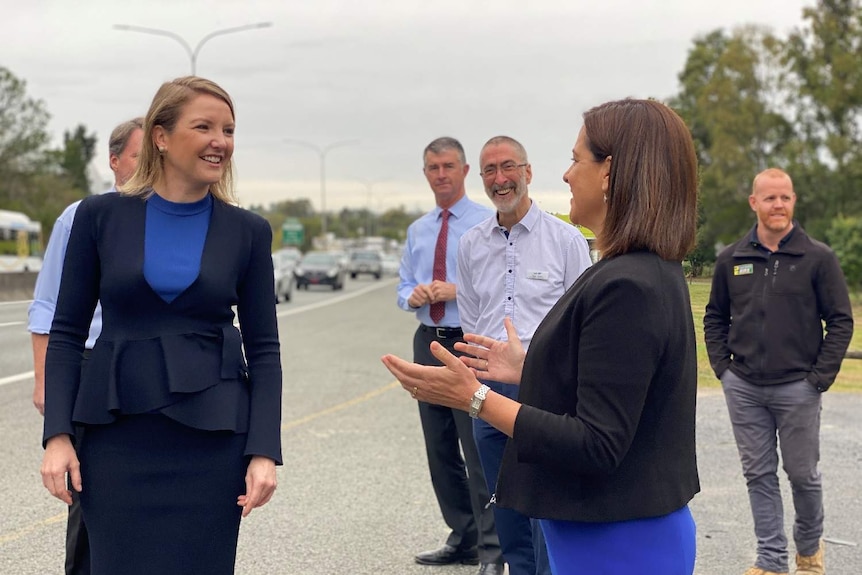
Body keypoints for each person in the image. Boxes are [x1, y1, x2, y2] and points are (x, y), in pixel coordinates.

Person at [384, 99, 701, 575]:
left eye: (577, 159)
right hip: (615, 526)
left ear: (611, 173)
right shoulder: (642, 269)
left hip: (618, 540)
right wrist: (527, 367)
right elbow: (615, 384)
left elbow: (597, 442)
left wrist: (473, 398)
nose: (567, 175)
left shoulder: (626, 285)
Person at [39, 76, 282, 575]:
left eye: (229, 130)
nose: (221, 141)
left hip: (214, 443)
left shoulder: (248, 231)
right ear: (162, 137)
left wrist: (264, 451)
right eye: (205, 127)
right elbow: (66, 332)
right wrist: (57, 436)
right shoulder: (99, 216)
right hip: (114, 437)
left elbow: (264, 351)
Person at [704, 168, 853, 575]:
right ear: (754, 203)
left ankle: (808, 553)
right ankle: (771, 562)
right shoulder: (732, 259)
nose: (778, 205)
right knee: (759, 475)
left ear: (793, 201)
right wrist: (724, 370)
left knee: (802, 475)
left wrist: (818, 379)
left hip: (798, 389)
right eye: (770, 198)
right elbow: (715, 317)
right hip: (745, 387)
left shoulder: (817, 258)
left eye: (785, 197)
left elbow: (840, 321)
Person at [457, 135, 591, 575]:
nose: (500, 179)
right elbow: (472, 321)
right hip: (490, 387)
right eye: (490, 170)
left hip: (545, 386)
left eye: (509, 167)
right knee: (504, 499)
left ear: (528, 173)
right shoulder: (471, 245)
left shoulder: (567, 241)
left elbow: (583, 322)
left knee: (544, 501)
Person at [28, 116, 144, 575]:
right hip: (87, 362)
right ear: (114, 161)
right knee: (89, 491)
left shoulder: (176, 217)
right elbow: (47, 306)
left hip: (143, 365)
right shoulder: (80, 217)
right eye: (139, 157)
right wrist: (45, 383)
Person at [397, 137, 503, 574]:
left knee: (476, 447)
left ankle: (493, 550)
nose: (440, 175)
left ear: (463, 171)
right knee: (439, 447)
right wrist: (414, 293)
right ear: (425, 173)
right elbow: (403, 286)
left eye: (447, 166)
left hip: (467, 340)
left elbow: (500, 282)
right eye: (432, 168)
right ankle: (463, 536)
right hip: (428, 339)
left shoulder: (486, 222)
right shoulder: (418, 230)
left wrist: (457, 291)